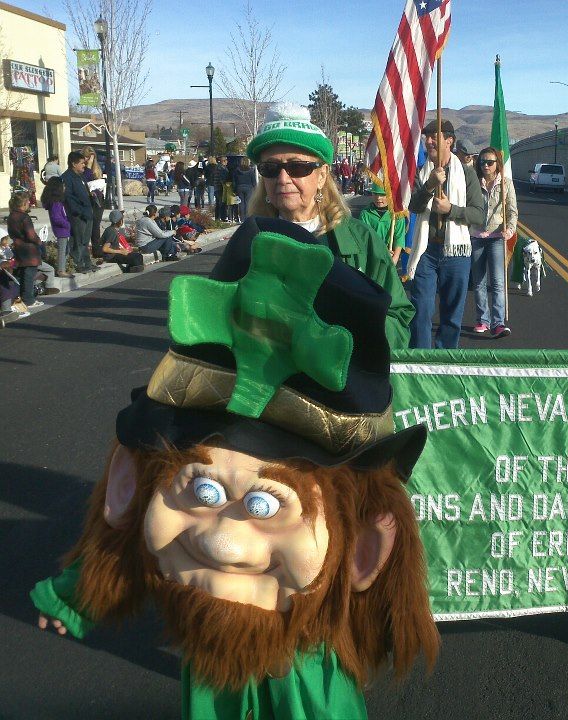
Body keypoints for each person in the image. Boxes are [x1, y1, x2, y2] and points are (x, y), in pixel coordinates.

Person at [30, 224, 439, 717]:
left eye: (266, 505)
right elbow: (129, 538)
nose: (225, 543)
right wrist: (76, 594)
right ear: (127, 486)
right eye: (203, 491)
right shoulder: (148, 508)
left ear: (365, 547)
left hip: (301, 674)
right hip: (210, 677)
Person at [245, 102, 414, 350]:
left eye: (297, 167)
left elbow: (398, 319)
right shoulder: (249, 241)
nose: (283, 179)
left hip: (343, 382)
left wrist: (349, 333)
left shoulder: (360, 241)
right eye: (270, 168)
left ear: (322, 174)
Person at [406, 119, 484, 349]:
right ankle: (420, 361)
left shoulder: (467, 175)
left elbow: (479, 215)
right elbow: (414, 206)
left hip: (456, 253)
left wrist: (451, 210)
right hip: (426, 251)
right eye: (426, 136)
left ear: (449, 141)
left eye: (434, 136)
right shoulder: (421, 173)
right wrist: (429, 186)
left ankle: (444, 361)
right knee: (421, 309)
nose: (428, 141)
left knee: (451, 315)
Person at [470, 146, 517, 339]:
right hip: (476, 237)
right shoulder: (473, 183)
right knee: (479, 282)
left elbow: (512, 211)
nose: (486, 166)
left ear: (497, 164)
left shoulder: (506, 183)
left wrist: (510, 229)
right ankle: (483, 320)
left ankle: (498, 323)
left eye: (490, 162)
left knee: (497, 282)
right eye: (482, 162)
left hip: (497, 237)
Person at [61, 151, 98, 274]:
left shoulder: (81, 176)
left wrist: (91, 195)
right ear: (73, 163)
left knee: (85, 241)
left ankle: (87, 263)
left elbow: (84, 192)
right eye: (81, 163)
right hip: (78, 215)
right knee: (78, 241)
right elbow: (69, 198)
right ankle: (78, 263)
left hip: (88, 212)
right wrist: (79, 211)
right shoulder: (67, 178)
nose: (84, 165)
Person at [6, 192, 44, 309]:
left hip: (18, 247)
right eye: (27, 201)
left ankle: (21, 296)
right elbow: (31, 235)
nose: (29, 203)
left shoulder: (11, 216)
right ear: (22, 203)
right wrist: (39, 241)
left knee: (22, 275)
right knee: (29, 275)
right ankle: (29, 300)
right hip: (29, 250)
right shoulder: (24, 217)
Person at [358, 185, 406, 265]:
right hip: (370, 255)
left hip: (390, 256)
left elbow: (399, 238)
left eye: (383, 195)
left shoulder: (397, 214)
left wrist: (395, 257)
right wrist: (380, 252)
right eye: (375, 194)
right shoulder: (365, 214)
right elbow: (364, 238)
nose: (378, 198)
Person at [40, 176, 75, 279]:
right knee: (62, 250)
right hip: (61, 230)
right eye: (63, 186)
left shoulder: (57, 201)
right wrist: (67, 224)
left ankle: (62, 268)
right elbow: (56, 218)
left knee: (66, 249)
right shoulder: (56, 203)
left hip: (63, 229)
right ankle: (61, 270)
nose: (64, 187)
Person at [81, 147, 106, 253]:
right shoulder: (83, 169)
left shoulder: (96, 168)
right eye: (86, 157)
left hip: (97, 199)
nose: (87, 159)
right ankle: (89, 250)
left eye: (89, 157)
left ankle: (96, 248)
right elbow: (85, 179)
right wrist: (89, 165)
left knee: (95, 225)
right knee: (88, 226)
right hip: (88, 199)